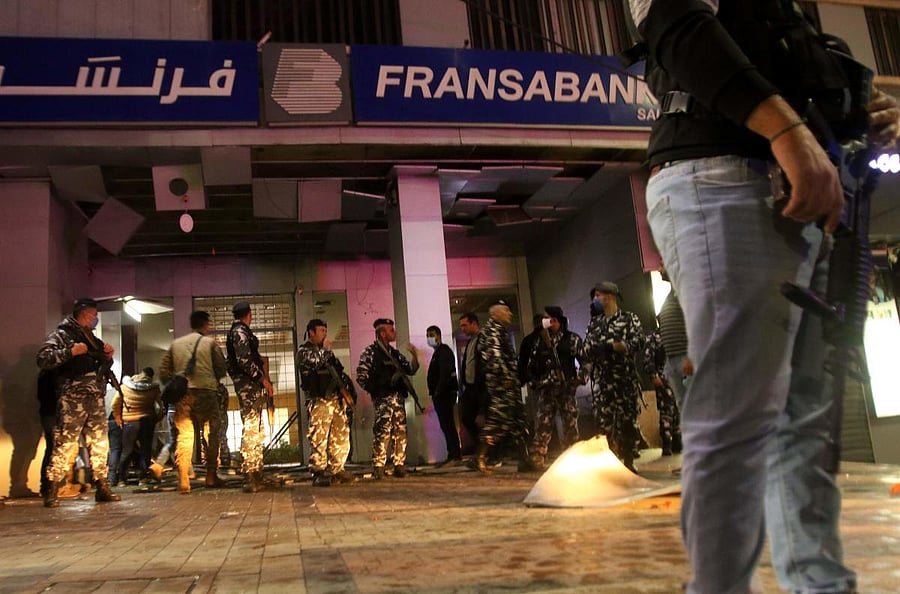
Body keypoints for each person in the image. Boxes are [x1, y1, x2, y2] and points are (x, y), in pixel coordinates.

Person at [632, 2, 899, 591]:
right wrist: (787, 129)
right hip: (725, 176)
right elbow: (679, 25)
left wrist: (858, 110)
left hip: (810, 189)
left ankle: (822, 584)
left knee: (804, 414)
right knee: (737, 416)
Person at [37, 297, 121, 507]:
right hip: (73, 398)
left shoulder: (91, 337)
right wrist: (70, 352)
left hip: (94, 397)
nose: (95, 319)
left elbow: (100, 364)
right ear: (85, 314)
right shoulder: (62, 335)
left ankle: (102, 486)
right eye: (94, 315)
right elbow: (43, 358)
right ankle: (52, 488)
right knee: (65, 442)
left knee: (100, 442)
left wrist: (107, 356)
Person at [157, 310, 227, 494]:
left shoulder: (176, 344)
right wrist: (212, 378)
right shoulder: (210, 343)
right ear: (206, 325)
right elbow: (221, 368)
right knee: (212, 434)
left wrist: (176, 383)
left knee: (185, 436)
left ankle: (183, 479)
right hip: (207, 394)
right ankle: (211, 476)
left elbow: (163, 371)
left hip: (184, 396)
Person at [582, 282, 645, 473]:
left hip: (624, 380)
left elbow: (639, 341)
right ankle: (610, 463)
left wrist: (618, 346)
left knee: (627, 422)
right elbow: (585, 349)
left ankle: (628, 461)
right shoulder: (595, 323)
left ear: (609, 296)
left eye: (598, 295)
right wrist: (594, 349)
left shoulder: (629, 319)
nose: (596, 299)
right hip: (603, 382)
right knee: (604, 424)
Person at [356, 318, 419, 479]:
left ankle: (399, 464)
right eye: (391, 330)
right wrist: (377, 390)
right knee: (382, 432)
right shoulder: (370, 352)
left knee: (400, 432)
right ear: (382, 333)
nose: (394, 332)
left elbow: (410, 370)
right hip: (383, 399)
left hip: (397, 398)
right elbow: (361, 377)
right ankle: (379, 466)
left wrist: (415, 357)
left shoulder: (395, 354)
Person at [297, 318, 356, 487]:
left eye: (325, 330)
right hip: (319, 401)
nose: (324, 334)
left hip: (335, 400)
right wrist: (326, 350)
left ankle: (338, 469)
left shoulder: (326, 352)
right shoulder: (304, 351)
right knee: (319, 437)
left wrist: (345, 392)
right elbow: (315, 362)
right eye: (321, 331)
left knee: (340, 435)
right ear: (311, 333)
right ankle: (318, 471)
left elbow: (337, 372)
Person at [474, 300, 530, 473]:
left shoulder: (501, 331)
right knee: (497, 421)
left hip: (510, 384)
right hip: (501, 385)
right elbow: (494, 359)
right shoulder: (490, 332)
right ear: (495, 313)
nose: (510, 314)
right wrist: (507, 377)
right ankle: (480, 458)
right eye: (506, 310)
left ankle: (525, 459)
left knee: (518, 422)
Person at [226, 301, 276, 493]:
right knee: (251, 427)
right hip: (247, 384)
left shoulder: (239, 331)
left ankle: (256, 472)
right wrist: (262, 379)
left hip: (249, 384)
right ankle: (250, 474)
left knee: (256, 427)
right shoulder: (239, 332)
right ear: (249, 315)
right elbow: (244, 360)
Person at [527, 306, 584, 469]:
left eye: (547, 318)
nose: (544, 321)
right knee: (543, 424)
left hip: (566, 389)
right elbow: (532, 365)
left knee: (570, 425)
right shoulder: (540, 341)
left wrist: (579, 379)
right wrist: (534, 381)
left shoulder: (572, 339)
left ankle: (572, 457)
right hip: (546, 389)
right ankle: (537, 457)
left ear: (555, 321)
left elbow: (586, 361)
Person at [110, 368, 161, 485]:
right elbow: (162, 407)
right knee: (145, 450)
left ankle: (122, 479)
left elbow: (114, 404)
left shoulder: (124, 387)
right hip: (147, 421)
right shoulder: (154, 388)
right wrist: (156, 418)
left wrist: (118, 418)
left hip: (129, 421)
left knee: (126, 451)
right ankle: (143, 478)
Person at [641, 329, 682, 456]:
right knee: (666, 411)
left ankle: (678, 441)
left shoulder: (679, 335)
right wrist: (654, 375)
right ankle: (667, 443)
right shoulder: (654, 337)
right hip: (663, 379)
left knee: (678, 410)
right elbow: (648, 358)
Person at [425, 325, 461, 466]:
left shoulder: (444, 351)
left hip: (445, 394)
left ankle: (455, 455)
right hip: (441, 394)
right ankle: (452, 454)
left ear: (438, 336)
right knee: (446, 425)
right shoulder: (438, 352)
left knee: (448, 425)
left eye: (432, 334)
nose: (429, 338)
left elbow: (445, 374)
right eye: (427, 335)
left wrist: (438, 391)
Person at [458, 313, 487, 455]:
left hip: (481, 387)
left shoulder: (483, 339)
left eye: (465, 325)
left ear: (474, 323)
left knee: (484, 419)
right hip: (469, 387)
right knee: (466, 417)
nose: (462, 329)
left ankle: (489, 451)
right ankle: (479, 446)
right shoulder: (470, 342)